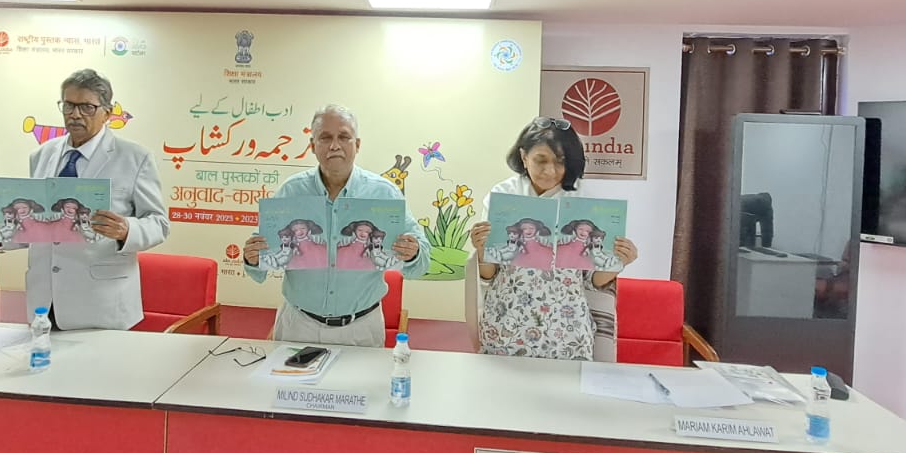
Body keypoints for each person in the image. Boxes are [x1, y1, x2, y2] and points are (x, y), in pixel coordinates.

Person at [0, 69, 169, 331]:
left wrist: (126, 230)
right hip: (45, 299)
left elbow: (158, 223)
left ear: (107, 113)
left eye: (87, 107)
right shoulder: (42, 154)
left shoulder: (135, 158)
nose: (75, 114)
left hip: (102, 301)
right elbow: (41, 224)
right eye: (68, 105)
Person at [243, 104, 430, 347]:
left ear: (357, 144)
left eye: (343, 137)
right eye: (325, 137)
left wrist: (413, 252)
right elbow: (259, 261)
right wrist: (253, 257)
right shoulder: (291, 191)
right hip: (298, 325)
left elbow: (422, 262)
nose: (334, 145)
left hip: (361, 328)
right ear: (312, 145)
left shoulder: (383, 193)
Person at [466, 117, 638, 361]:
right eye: (541, 160)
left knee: (567, 385)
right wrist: (482, 248)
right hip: (507, 323)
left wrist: (619, 262)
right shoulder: (502, 195)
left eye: (560, 162)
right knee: (503, 384)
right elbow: (489, 274)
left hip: (567, 329)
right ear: (524, 156)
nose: (550, 171)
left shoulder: (584, 200)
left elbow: (592, 281)